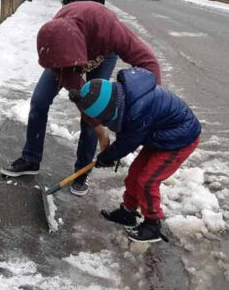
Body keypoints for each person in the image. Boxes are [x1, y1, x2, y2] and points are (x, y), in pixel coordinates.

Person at [1, 1, 161, 196]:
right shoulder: (57, 37)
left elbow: (148, 62)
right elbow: (77, 92)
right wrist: (100, 129)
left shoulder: (110, 30)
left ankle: (81, 173)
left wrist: (149, 107)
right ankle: (31, 158)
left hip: (102, 55)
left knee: (95, 108)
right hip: (64, 52)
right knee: (39, 102)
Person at [69, 68, 201, 243]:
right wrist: (109, 155)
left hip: (179, 141)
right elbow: (128, 137)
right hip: (159, 136)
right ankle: (128, 212)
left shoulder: (137, 110)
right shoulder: (126, 98)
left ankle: (153, 224)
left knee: (147, 180)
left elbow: (128, 141)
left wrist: (107, 157)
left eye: (106, 120)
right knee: (134, 175)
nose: (107, 124)